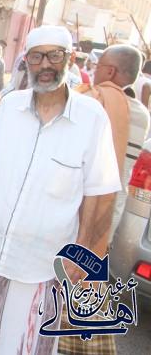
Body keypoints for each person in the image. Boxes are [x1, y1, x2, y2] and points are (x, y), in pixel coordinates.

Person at [0, 26, 122, 355]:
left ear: (70, 59)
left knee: (30, 346)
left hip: (44, 263)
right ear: (26, 61)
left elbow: (100, 193)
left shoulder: (92, 118)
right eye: (36, 57)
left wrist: (86, 254)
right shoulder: (8, 108)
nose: (45, 64)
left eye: (54, 55)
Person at [58, 44, 149, 355]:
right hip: (108, 219)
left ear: (110, 71)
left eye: (99, 67)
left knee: (60, 281)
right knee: (86, 283)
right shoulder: (141, 114)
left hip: (78, 212)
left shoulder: (94, 102)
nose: (94, 73)